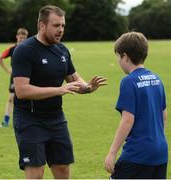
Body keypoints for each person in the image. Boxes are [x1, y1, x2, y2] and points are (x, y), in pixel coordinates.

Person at [12, 5, 107, 179]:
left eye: (63, 25)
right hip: (30, 119)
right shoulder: (24, 50)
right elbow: (22, 90)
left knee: (63, 169)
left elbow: (74, 79)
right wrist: (58, 90)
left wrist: (88, 87)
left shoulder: (62, 50)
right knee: (36, 173)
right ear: (42, 25)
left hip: (56, 119)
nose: (61, 30)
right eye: (56, 26)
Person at [104, 32, 168, 179]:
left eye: (119, 57)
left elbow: (127, 120)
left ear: (125, 56)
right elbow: (164, 115)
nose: (119, 61)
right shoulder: (157, 79)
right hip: (160, 151)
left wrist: (112, 153)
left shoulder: (129, 81)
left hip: (138, 154)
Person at [0, 28, 28, 127]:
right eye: (21, 38)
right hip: (15, 77)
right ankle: (6, 121)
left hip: (28, 77)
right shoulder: (12, 49)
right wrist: (7, 70)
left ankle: (28, 120)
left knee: (27, 98)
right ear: (17, 37)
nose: (22, 40)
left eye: (24, 38)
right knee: (11, 98)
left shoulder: (29, 49)